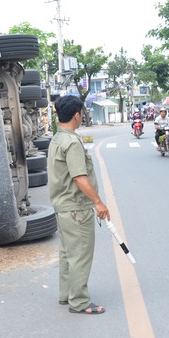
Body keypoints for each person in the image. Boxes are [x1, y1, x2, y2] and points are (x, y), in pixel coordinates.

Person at [47, 95, 110, 315]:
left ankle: (67, 295)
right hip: (75, 208)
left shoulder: (57, 138)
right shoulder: (72, 142)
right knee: (81, 254)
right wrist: (98, 202)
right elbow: (79, 177)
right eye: (81, 113)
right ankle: (79, 301)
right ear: (77, 114)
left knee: (67, 253)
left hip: (62, 207)